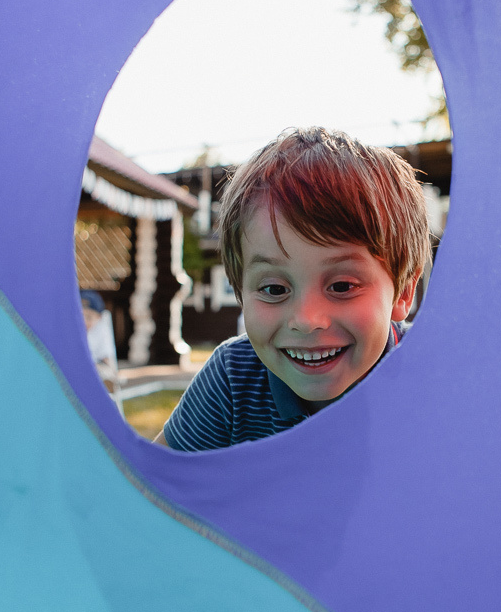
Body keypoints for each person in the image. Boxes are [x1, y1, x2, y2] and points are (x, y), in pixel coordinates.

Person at [156, 127, 430, 451]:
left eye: (342, 286)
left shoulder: (433, 375)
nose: (306, 319)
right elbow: (148, 488)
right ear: (241, 294)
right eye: (274, 289)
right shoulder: (232, 382)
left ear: (403, 293)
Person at [80, 289, 120, 395]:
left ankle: (107, 384)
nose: (84, 321)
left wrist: (112, 372)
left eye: (89, 317)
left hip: (95, 366)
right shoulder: (74, 331)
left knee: (102, 371)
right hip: (79, 367)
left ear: (99, 318)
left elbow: (107, 356)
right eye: (81, 316)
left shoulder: (101, 331)